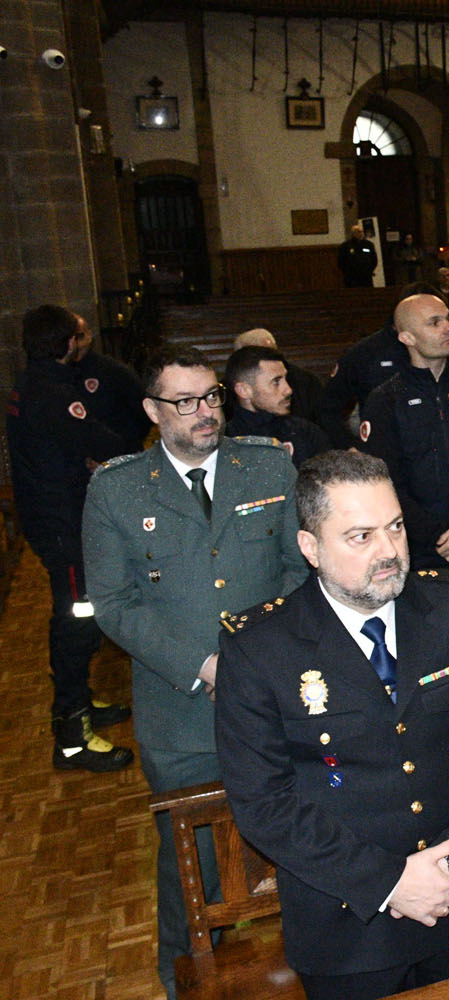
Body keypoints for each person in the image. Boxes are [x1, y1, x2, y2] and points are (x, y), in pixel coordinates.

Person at [215, 449, 449, 1000]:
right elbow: (264, 803)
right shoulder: (260, 649)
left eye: (396, 527)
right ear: (310, 547)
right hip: (346, 930)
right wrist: (389, 883)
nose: (388, 552)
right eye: (360, 536)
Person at [82, 346, 306, 997]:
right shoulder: (118, 489)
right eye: (185, 402)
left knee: (299, 846)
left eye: (210, 397)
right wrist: (202, 664)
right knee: (195, 869)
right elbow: (114, 603)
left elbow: (298, 571)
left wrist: (263, 658)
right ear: (152, 410)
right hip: (182, 719)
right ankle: (184, 980)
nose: (205, 412)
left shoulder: (265, 467)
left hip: (277, 699)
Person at [7, 304, 137, 772]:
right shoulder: (55, 392)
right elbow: (102, 443)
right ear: (66, 345)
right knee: (75, 617)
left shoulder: (28, 382)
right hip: (61, 523)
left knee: (78, 614)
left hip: (49, 517)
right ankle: (72, 735)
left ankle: (80, 700)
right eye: (77, 337)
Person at [357, 293, 449, 570]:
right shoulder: (385, 401)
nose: (448, 327)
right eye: (434, 322)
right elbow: (385, 482)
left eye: (447, 319)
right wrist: (437, 535)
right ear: (407, 338)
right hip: (420, 546)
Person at [318, 281, 443, 446]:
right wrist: (350, 448)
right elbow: (327, 409)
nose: (444, 328)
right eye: (433, 322)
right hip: (383, 452)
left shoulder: (446, 351)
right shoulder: (366, 354)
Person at [224, 345, 332, 468]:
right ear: (244, 390)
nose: (288, 390)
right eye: (276, 382)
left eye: (286, 379)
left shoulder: (306, 433)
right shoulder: (225, 443)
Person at [73, 319, 151, 448]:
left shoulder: (113, 371)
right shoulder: (54, 378)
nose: (75, 344)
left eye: (79, 337)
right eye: (70, 339)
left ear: (89, 336)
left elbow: (143, 412)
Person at [233, 328, 325, 424]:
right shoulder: (226, 393)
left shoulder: (306, 381)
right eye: (259, 355)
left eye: (271, 352)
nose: (288, 390)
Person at [339, 223, 379, 288]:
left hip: (366, 276)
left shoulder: (368, 245)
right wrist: (348, 272)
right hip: (351, 278)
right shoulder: (346, 246)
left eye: (362, 231)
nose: (361, 233)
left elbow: (374, 260)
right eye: (358, 232)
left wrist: (369, 270)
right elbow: (341, 261)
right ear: (353, 233)